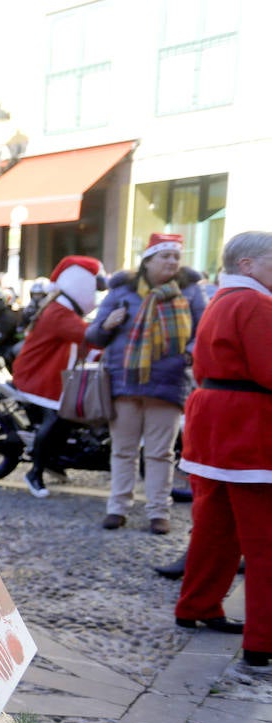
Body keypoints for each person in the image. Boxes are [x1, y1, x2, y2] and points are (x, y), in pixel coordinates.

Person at [174, 231, 272, 664]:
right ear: (248, 264)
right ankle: (262, 642)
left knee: (214, 528)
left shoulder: (221, 300)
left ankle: (195, 606)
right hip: (247, 426)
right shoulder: (256, 304)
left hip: (213, 422)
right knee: (263, 539)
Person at [85, 233, 205, 534]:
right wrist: (107, 324)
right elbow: (93, 335)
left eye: (176, 256)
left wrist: (187, 356)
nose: (172, 261)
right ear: (148, 260)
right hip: (124, 382)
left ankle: (158, 513)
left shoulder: (189, 292)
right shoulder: (122, 291)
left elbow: (202, 334)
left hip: (168, 382)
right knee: (123, 450)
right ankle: (118, 508)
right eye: (165, 256)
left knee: (160, 453)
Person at [11, 257, 106, 497]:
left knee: (67, 417)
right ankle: (36, 471)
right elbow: (87, 335)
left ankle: (53, 460)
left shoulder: (62, 308)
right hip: (39, 376)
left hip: (49, 373)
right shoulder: (59, 312)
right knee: (56, 417)